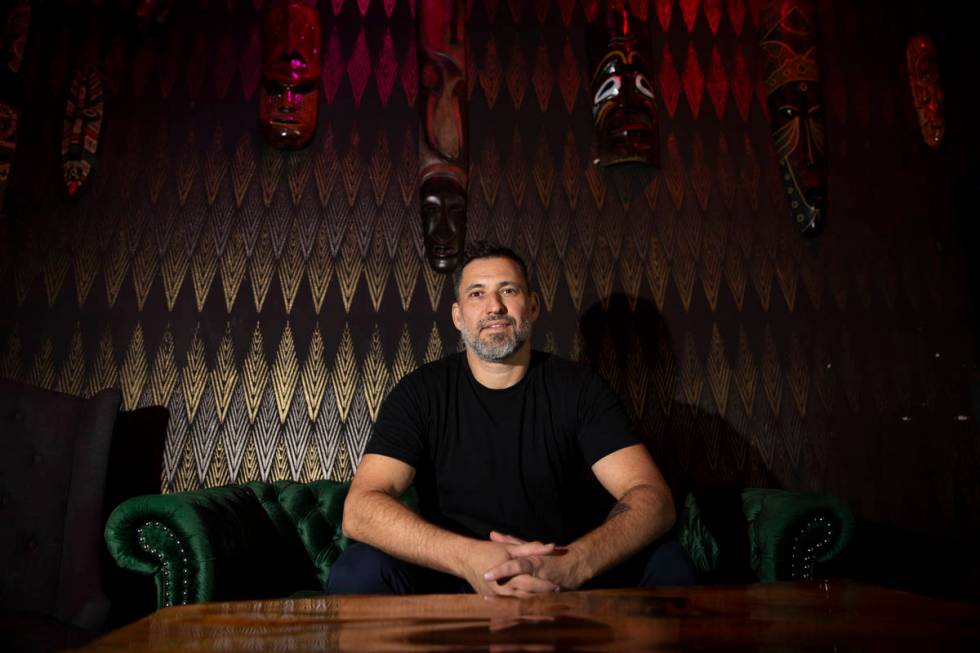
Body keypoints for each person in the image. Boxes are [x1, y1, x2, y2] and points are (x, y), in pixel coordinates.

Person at [328, 242, 696, 597]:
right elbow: (359, 511)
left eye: (508, 290)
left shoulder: (579, 388)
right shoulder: (420, 393)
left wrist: (572, 564)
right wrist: (470, 558)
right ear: (458, 316)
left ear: (532, 306)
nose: (495, 307)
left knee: (668, 563)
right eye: (476, 293)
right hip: (452, 574)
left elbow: (654, 499)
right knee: (357, 570)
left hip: (560, 570)